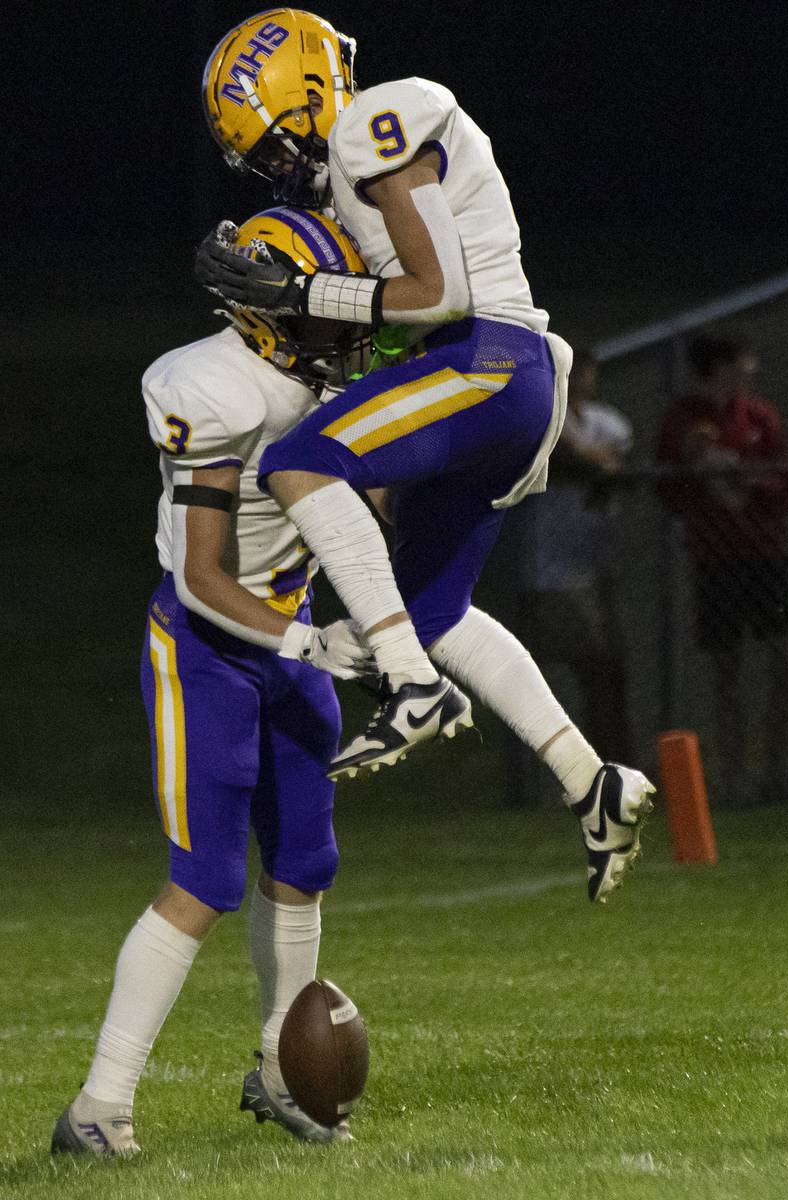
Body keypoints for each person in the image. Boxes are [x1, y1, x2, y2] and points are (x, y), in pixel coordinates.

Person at [196, 10, 655, 902]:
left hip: (487, 359)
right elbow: (385, 332)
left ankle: (413, 689)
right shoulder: (346, 171)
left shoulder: (375, 120)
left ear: (300, 94)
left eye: (272, 144)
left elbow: (435, 292)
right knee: (427, 609)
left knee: (294, 465)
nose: (278, 168)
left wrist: (301, 290)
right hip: (479, 381)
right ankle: (592, 784)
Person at [51, 209, 375, 1157]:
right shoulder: (215, 388)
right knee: (204, 882)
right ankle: (98, 1109)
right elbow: (201, 577)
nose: (343, 332)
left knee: (306, 868)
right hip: (210, 650)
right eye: (317, 311)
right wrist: (313, 645)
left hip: (289, 640)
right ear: (267, 318)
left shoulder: (323, 375)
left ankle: (284, 1072)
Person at [657, 329, 788, 806]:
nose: (751, 370)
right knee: (727, 672)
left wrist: (748, 483)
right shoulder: (685, 418)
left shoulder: (760, 416)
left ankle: (776, 772)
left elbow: (784, 483)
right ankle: (734, 780)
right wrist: (697, 469)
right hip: (716, 559)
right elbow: (668, 487)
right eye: (744, 361)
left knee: (787, 660)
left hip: (766, 555)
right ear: (721, 367)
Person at [515, 347, 633, 764]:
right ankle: (588, 761)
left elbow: (618, 460)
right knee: (585, 667)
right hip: (554, 572)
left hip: (597, 565)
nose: (582, 380)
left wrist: (598, 462)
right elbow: (561, 449)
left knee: (605, 670)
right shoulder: (548, 417)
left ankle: (611, 759)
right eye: (572, 372)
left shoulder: (606, 421)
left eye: (586, 372)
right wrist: (592, 460)